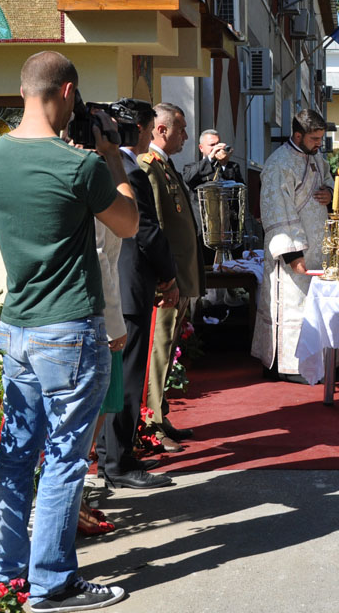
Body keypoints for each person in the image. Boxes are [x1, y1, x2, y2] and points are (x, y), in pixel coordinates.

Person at [0, 50, 137, 611]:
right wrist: (110, 157)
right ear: (67, 92)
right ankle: (52, 584)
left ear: (25, 91)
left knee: (16, 452)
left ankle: (3, 571)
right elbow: (130, 222)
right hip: (69, 328)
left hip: (17, 325)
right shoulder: (82, 165)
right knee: (64, 459)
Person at [96, 104, 179, 490]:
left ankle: (110, 455)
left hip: (119, 285)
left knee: (116, 378)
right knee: (126, 380)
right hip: (128, 286)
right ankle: (119, 461)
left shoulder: (113, 165)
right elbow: (146, 231)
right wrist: (169, 277)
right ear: (144, 129)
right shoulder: (128, 169)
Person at [250, 109, 338, 379]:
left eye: (321, 138)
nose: (318, 143)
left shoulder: (317, 159)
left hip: (319, 250)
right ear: (297, 135)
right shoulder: (278, 164)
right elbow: (277, 210)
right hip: (293, 255)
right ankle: (292, 366)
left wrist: (330, 193)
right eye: (314, 138)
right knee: (295, 307)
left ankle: (320, 362)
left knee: (316, 306)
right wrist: (293, 254)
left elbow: (331, 186)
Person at [138, 102, 203, 446]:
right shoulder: (149, 167)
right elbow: (157, 229)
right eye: (181, 129)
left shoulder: (165, 166)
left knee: (168, 349)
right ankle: (151, 425)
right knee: (158, 351)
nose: (186, 136)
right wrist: (167, 280)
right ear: (161, 130)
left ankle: (160, 415)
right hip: (167, 282)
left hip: (178, 278)